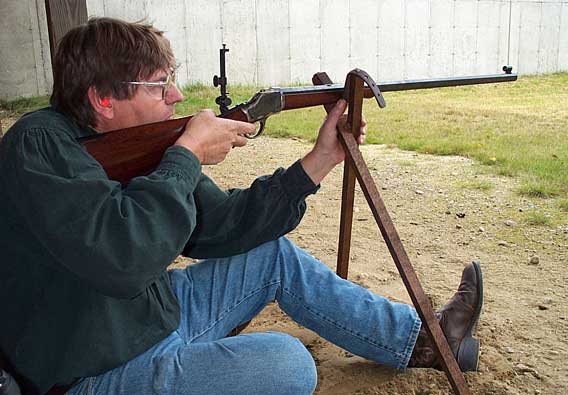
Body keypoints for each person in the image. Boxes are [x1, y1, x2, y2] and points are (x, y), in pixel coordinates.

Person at [0, 17, 483, 395]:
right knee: (288, 363)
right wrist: (185, 157)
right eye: (159, 84)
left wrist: (318, 161)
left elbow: (224, 226)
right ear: (103, 99)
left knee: (271, 255)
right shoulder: (38, 146)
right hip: (94, 370)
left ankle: (422, 342)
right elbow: (123, 259)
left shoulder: (128, 144)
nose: (177, 96)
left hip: (150, 318)